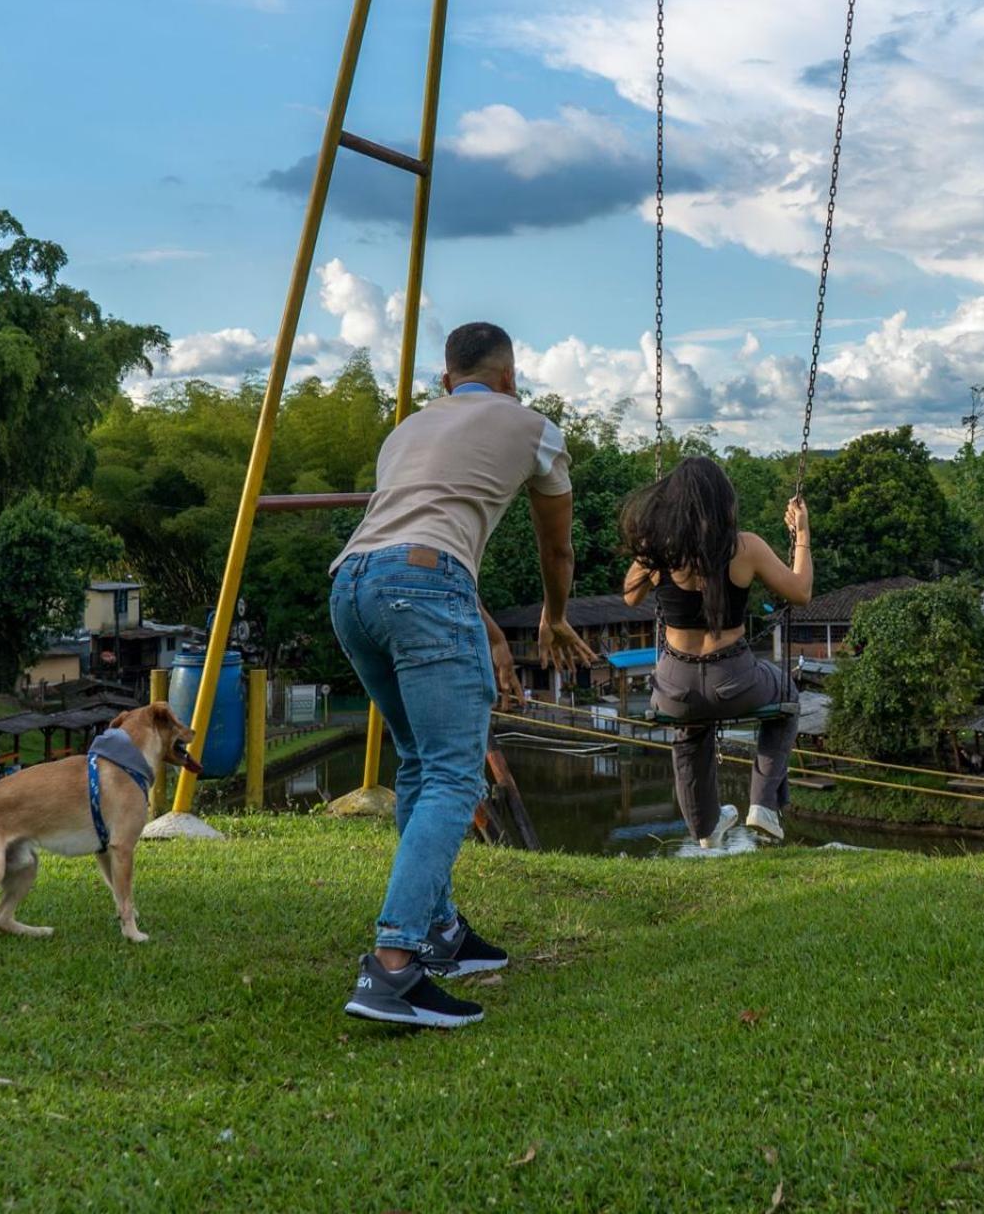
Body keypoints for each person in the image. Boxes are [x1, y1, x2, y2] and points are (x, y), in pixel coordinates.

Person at [330, 321, 595, 1029]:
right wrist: (554, 615)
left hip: (351, 588)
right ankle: (393, 967)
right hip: (424, 586)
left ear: (447, 381)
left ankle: (441, 931)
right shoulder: (533, 427)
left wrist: (483, 631)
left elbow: (412, 543)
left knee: (419, 761)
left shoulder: (406, 432)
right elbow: (558, 546)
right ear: (509, 378)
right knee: (454, 775)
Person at [621, 456, 813, 848]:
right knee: (787, 698)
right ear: (723, 501)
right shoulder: (745, 547)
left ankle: (705, 827)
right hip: (737, 678)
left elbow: (630, 596)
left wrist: (648, 549)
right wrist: (802, 535)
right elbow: (801, 591)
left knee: (689, 732)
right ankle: (762, 804)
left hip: (676, 684)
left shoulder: (660, 550)